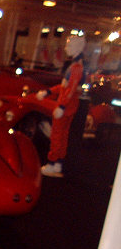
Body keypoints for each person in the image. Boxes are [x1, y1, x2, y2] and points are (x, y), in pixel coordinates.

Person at [36, 34, 86, 177]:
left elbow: (69, 89)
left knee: (57, 135)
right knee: (62, 136)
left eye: (69, 45)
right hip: (69, 105)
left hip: (66, 106)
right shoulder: (76, 65)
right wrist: (48, 91)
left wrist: (62, 106)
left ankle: (52, 163)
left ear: (76, 48)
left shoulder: (76, 67)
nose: (66, 48)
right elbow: (66, 87)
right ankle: (57, 163)